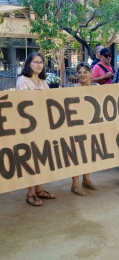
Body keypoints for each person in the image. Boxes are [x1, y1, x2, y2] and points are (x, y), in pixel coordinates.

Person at [16, 52, 56, 206]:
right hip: (29, 125)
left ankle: (39, 189)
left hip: (44, 124)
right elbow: (23, 101)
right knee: (32, 157)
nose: (39, 65)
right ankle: (30, 193)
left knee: (43, 155)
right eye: (36, 62)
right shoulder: (22, 80)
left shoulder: (42, 81)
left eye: (41, 62)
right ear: (28, 64)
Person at [71, 62, 98, 195]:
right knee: (77, 155)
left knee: (88, 153)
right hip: (77, 126)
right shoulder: (73, 89)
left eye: (85, 72)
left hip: (91, 126)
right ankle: (75, 184)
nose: (82, 75)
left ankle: (86, 180)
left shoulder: (97, 87)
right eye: (79, 72)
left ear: (91, 74)